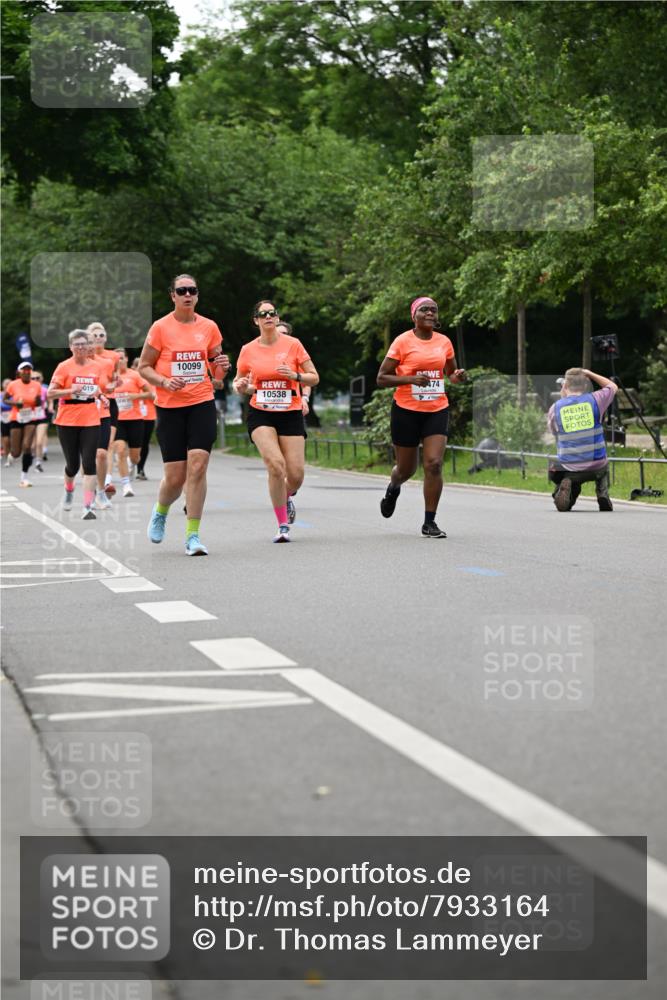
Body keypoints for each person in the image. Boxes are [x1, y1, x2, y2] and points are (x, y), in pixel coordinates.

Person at [138, 274, 230, 556]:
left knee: (198, 466)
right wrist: (164, 382)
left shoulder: (209, 327)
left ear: (197, 295)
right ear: (173, 296)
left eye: (192, 290)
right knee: (175, 478)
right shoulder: (160, 328)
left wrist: (223, 367)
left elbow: (217, 373)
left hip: (201, 402)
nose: (187, 294)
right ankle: (161, 511)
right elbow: (144, 367)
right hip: (170, 407)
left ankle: (193, 535)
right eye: (182, 291)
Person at [376, 296, 466, 538]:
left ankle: (429, 522)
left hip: (436, 409)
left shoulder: (444, 342)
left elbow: (450, 373)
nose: (430, 313)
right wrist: (410, 379)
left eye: (434, 310)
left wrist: (457, 376)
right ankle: (394, 487)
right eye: (424, 309)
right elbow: (382, 378)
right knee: (406, 470)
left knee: (434, 464)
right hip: (406, 410)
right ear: (413, 315)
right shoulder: (402, 341)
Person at [233, 301, 319, 542]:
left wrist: (296, 376)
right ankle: (282, 525)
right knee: (276, 465)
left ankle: (286, 495)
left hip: (290, 412)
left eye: (272, 313)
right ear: (256, 320)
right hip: (261, 412)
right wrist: (240, 385)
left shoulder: (293, 345)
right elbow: (239, 381)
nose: (268, 316)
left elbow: (314, 377)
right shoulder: (248, 349)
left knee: (296, 475)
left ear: (277, 318)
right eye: (263, 314)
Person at [47, 330, 113, 519]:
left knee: (89, 462)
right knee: (73, 465)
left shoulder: (96, 367)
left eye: (84, 344)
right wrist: (70, 390)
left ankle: (87, 506)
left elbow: (94, 388)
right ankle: (69, 490)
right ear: (71, 347)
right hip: (67, 419)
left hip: (91, 418)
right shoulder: (63, 367)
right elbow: (50, 393)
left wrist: (102, 396)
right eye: (77, 344)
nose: (81, 347)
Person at [547, 367, 617, 512]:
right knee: (604, 465)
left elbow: (554, 431)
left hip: (570, 466)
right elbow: (612, 386)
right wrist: (589, 373)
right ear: (585, 385)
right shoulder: (596, 400)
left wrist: (564, 400)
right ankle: (602, 493)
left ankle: (562, 489)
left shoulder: (556, 408)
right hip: (596, 466)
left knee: (557, 470)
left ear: (565, 385)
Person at [112, 348, 154, 497]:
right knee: (120, 450)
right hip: (117, 420)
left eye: (122, 358)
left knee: (135, 457)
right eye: (117, 358)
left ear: (127, 359)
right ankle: (126, 485)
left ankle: (132, 464)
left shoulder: (134, 375)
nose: (119, 361)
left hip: (135, 419)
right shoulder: (110, 376)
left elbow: (150, 393)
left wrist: (135, 396)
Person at [87, 322, 120, 503]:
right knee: (88, 452)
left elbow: (114, 380)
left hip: (107, 404)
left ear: (106, 338)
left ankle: (103, 485)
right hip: (85, 408)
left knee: (104, 449)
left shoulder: (111, 359)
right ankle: (89, 487)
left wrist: (113, 386)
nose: (98, 338)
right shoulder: (81, 358)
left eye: (101, 335)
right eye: (95, 335)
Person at [2, 362, 44, 487]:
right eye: (24, 370)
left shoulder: (36, 385)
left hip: (30, 417)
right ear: (19, 372)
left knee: (27, 446)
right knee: (16, 452)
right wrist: (16, 404)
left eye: (28, 370)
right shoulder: (13, 384)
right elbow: (5, 399)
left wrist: (37, 403)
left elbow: (38, 402)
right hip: (16, 418)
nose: (26, 372)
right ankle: (12, 454)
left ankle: (24, 477)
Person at [276, 320, 312, 421]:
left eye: (285, 333)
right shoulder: (261, 352)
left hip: (292, 408)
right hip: (264, 409)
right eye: (278, 333)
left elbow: (306, 382)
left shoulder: (295, 354)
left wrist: (304, 398)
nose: (281, 336)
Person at [132, 357, 156, 480]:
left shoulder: (151, 380)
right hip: (132, 415)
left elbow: (155, 397)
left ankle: (140, 469)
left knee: (144, 443)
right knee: (132, 443)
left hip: (148, 416)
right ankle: (130, 462)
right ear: (134, 368)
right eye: (137, 366)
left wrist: (140, 395)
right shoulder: (130, 379)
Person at [1, 379, 12, 464]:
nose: (7, 385)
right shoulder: (0, 395)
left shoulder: (14, 394)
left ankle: (12, 452)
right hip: (3, 418)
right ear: (2, 385)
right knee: (5, 437)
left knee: (13, 437)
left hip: (14, 418)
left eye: (9, 383)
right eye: (6, 384)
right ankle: (7, 454)